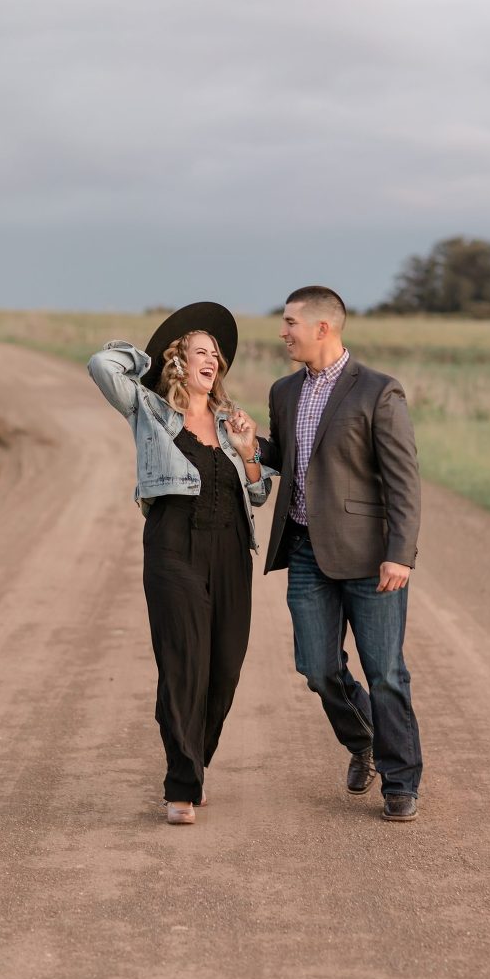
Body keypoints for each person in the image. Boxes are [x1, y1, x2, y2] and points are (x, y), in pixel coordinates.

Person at [87, 302, 270, 826]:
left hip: (231, 549)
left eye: (216, 354)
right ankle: (181, 785)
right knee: (183, 663)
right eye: (200, 352)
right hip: (172, 546)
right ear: (177, 362)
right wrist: (145, 360)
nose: (212, 359)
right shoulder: (148, 408)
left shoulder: (229, 420)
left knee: (225, 668)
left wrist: (248, 449)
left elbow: (257, 494)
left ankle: (197, 763)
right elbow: (102, 367)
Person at [255, 285, 423, 822]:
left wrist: (400, 553)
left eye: (290, 323)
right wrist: (249, 443)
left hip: (371, 559)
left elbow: (404, 481)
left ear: (323, 328)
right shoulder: (283, 391)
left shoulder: (378, 391)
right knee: (317, 667)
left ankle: (400, 780)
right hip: (305, 551)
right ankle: (364, 740)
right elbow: (287, 455)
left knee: (386, 673)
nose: (283, 333)